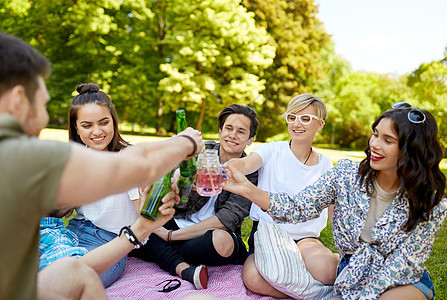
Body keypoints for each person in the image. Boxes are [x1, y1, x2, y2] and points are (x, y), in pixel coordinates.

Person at [0, 31, 203, 299]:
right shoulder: (24, 155)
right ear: (17, 98)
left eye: (103, 122)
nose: (47, 115)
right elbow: (135, 165)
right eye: (44, 103)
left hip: (100, 240)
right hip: (79, 236)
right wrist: (187, 142)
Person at [223, 103, 447, 299]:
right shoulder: (345, 174)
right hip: (350, 271)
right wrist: (249, 190)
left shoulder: (432, 204)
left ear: (411, 150)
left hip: (399, 279)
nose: (375, 144)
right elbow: (299, 206)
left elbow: (402, 264)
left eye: (387, 140)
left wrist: (356, 296)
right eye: (375, 134)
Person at [131, 104, 259, 290]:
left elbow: (227, 219)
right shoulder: (201, 151)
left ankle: (157, 251)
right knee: (141, 220)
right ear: (220, 130)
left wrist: (169, 236)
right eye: (229, 128)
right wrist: (180, 178)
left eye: (241, 131)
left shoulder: (251, 171)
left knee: (223, 243)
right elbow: (174, 177)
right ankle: (183, 269)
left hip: (208, 236)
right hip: (180, 221)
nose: (233, 135)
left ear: (250, 139)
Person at [226, 94, 338, 298]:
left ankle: (300, 286)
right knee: (253, 278)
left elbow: (334, 212)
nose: (297, 123)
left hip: (306, 238)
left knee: (329, 270)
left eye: (305, 119)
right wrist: (233, 166)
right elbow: (246, 163)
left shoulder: (325, 165)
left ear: (320, 125)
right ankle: (314, 295)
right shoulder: (271, 150)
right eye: (292, 117)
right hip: (269, 235)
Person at [64, 82, 142, 287]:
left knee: (71, 285)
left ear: (114, 122)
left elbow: (143, 214)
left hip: (109, 244)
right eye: (87, 125)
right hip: (71, 232)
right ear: (76, 128)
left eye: (103, 122)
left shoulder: (128, 157)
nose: (97, 132)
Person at [39, 186, 175, 277]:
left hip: (108, 241)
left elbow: (72, 275)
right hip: (80, 231)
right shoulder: (52, 235)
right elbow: (71, 276)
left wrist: (142, 228)